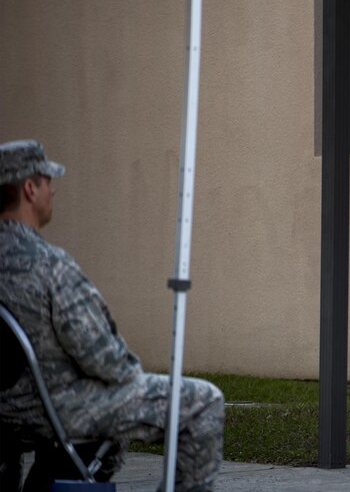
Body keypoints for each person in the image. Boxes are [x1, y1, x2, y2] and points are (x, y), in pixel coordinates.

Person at [0, 140, 224, 490]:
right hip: (52, 410)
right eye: (47, 181)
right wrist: (130, 373)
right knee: (201, 402)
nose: (53, 190)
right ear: (30, 189)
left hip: (7, 411)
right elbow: (105, 360)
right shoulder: (48, 265)